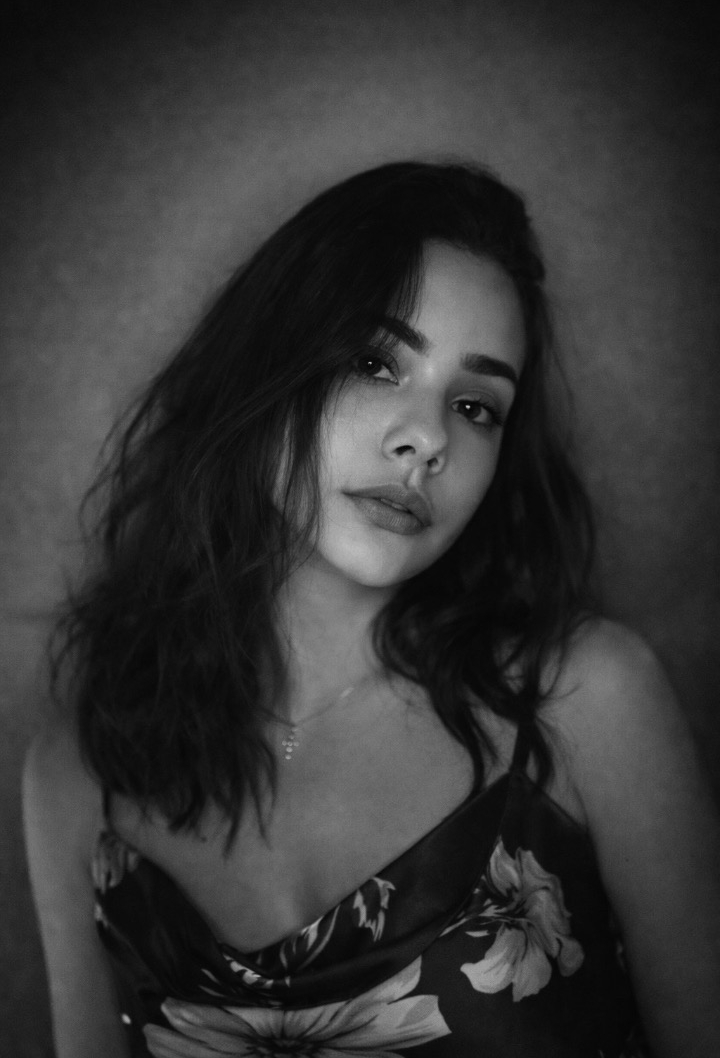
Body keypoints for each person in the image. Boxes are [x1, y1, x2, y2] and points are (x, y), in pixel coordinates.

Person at [23, 161, 720, 1058]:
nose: (427, 440)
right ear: (264, 365)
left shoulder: (588, 701)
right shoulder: (79, 778)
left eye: (475, 405)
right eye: (373, 362)